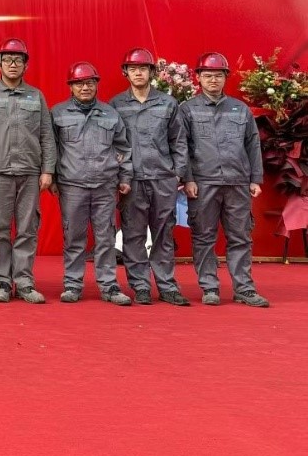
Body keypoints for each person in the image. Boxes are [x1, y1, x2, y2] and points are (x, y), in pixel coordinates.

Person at [0, 38, 56, 304]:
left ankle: (25, 282)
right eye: (7, 60)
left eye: (18, 60)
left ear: (26, 66)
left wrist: (48, 170)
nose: (13, 64)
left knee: (28, 229)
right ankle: (3, 283)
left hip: (30, 173)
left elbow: (46, 135)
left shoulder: (36, 96)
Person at [179, 52, 269, 307]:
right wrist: (188, 179)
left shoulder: (240, 109)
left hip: (237, 182)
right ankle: (209, 288)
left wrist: (255, 178)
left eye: (218, 75)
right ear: (198, 78)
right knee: (204, 237)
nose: (213, 80)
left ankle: (244, 289)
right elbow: (181, 147)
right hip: (203, 183)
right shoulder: (187, 110)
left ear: (225, 77)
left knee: (240, 237)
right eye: (207, 75)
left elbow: (252, 144)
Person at [109, 47, 191, 306]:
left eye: (143, 68)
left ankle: (167, 286)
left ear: (151, 72)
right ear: (125, 72)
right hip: (132, 180)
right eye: (133, 69)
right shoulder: (116, 105)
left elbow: (179, 141)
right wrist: (120, 175)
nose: (138, 73)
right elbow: (112, 144)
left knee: (163, 234)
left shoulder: (168, 103)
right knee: (133, 234)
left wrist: (177, 174)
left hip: (162, 178)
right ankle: (141, 286)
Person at [51, 62, 134, 306]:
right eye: (79, 83)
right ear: (70, 87)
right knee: (73, 237)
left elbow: (123, 148)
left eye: (89, 83)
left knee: (105, 237)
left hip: (105, 186)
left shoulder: (110, 114)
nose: (85, 87)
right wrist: (52, 178)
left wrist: (125, 177)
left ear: (96, 85)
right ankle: (72, 284)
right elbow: (51, 149)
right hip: (72, 185)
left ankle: (109, 286)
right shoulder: (58, 114)